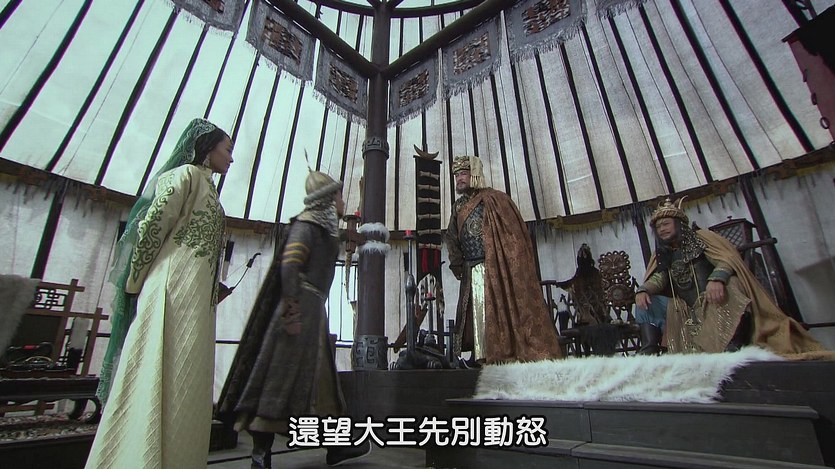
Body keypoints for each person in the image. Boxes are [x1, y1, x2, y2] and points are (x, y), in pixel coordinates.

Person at [86, 118, 233, 469]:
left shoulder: (210, 191)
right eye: (228, 150)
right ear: (208, 148)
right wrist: (135, 282)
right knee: (159, 369)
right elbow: (152, 227)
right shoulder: (183, 176)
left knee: (187, 379)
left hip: (197, 302)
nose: (231, 158)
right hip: (170, 292)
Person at [217, 169, 370, 469]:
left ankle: (337, 445)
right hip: (299, 313)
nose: (343, 201)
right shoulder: (307, 226)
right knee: (278, 381)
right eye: (339, 195)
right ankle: (261, 454)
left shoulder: (323, 229)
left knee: (322, 384)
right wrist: (292, 312)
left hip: (313, 314)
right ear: (328, 199)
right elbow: (289, 266)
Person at [635, 197, 831, 359]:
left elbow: (727, 259)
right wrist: (644, 290)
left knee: (733, 284)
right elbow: (660, 278)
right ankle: (648, 352)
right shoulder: (663, 254)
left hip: (713, 299)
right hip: (686, 309)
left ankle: (732, 345)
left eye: (666, 224)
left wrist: (717, 279)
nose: (662, 229)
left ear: (678, 224)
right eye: (658, 227)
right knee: (646, 302)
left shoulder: (702, 238)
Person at [444, 155, 563, 365]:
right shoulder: (458, 206)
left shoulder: (494, 199)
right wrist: (456, 262)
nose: (459, 179)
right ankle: (480, 355)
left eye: (463, 174)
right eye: (456, 175)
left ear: (474, 174)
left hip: (494, 266)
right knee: (475, 312)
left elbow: (512, 235)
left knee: (496, 310)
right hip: (470, 267)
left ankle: (501, 352)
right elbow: (452, 236)